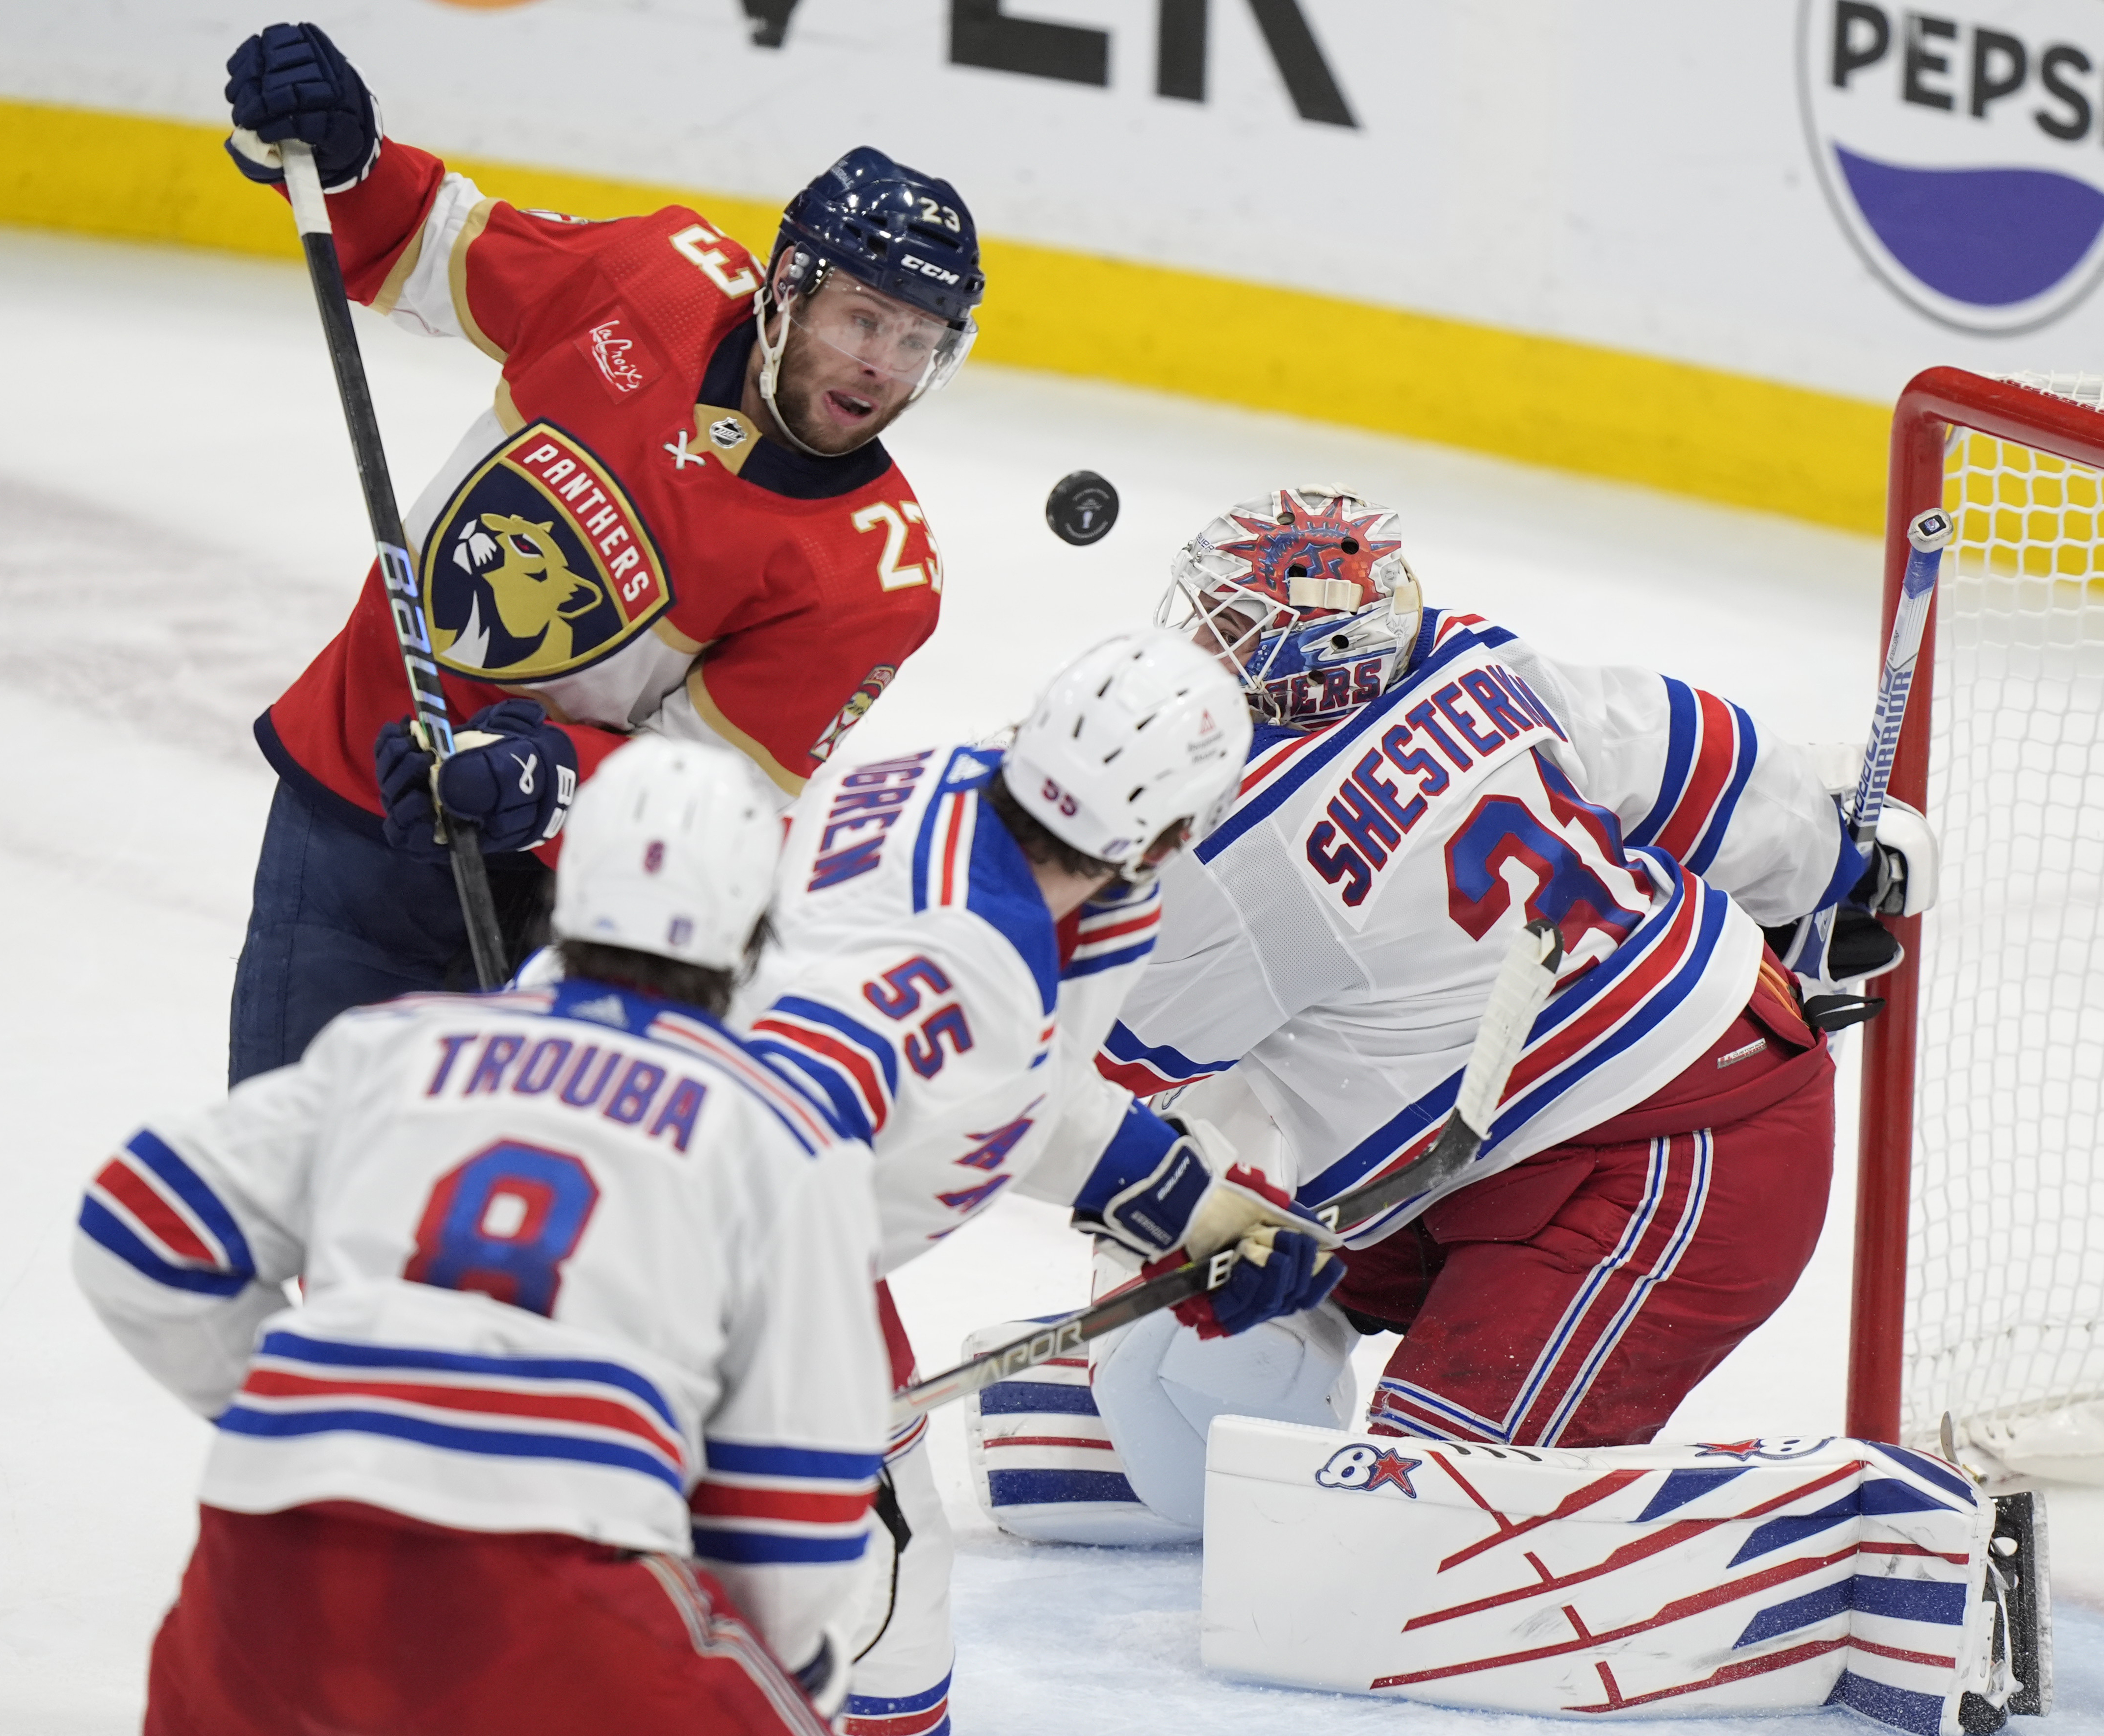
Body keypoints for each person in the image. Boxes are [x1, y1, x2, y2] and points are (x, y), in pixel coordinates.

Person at [1088, 486, 1939, 1463]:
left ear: (1304, 654)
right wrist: (1836, 867)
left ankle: (1818, 1545)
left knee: (1429, 1512)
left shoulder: (1245, 860)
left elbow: (1101, 1086)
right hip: (1467, 1155)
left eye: (1226, 625)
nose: (1200, 643)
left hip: (1670, 1160)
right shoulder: (1469, 658)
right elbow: (1695, 757)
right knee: (1167, 1380)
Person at [73, 738, 890, 1735]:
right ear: (754, 933)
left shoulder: (394, 1043)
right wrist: (787, 1672)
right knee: (802, 1693)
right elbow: (788, 1509)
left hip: (266, 1569)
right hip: (547, 1602)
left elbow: (140, 1222)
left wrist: (298, 1407)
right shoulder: (784, 1131)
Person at [218, 21, 985, 1083]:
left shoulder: (872, 575)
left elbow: (718, 792)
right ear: (789, 288)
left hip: (558, 910)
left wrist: (551, 783)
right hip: (353, 783)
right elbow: (428, 249)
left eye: (917, 342)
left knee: (489, 1233)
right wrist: (347, 164)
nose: (884, 367)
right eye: (863, 319)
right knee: (294, 1183)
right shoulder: (649, 279)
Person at [734, 628, 1343, 1735]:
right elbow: (970, 1110)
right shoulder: (971, 969)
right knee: (868, 1592)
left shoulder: (959, 794)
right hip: (730, 1263)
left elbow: (1032, 1093)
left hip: (703, 1206)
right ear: (1164, 831)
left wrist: (1188, 1208)